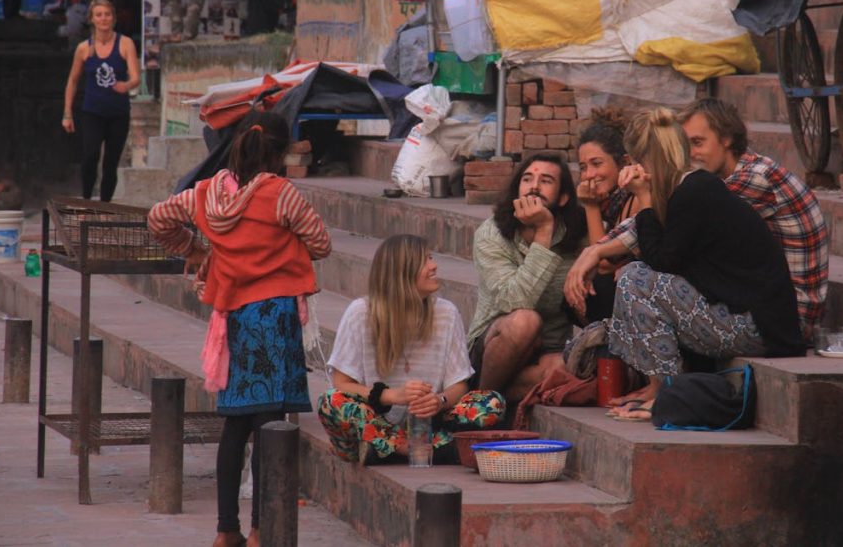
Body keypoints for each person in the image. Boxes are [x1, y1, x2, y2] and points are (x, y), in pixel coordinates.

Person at [147, 111, 331, 547]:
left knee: (236, 424)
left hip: (235, 320)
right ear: (280, 152)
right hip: (275, 318)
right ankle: (260, 529)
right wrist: (283, 245)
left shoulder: (204, 194)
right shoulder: (281, 194)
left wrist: (195, 250)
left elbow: (157, 218)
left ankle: (225, 529)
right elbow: (321, 243)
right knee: (271, 426)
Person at [564, 108, 804, 419]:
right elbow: (655, 250)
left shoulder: (696, 190)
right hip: (735, 315)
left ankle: (667, 393)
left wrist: (644, 199)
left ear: (642, 160)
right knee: (635, 274)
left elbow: (662, 262)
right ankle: (657, 388)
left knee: (637, 280)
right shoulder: (685, 189)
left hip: (759, 328)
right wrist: (598, 249)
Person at [318, 235, 505, 465]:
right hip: (376, 421)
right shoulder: (360, 313)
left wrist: (439, 400)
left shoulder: (446, 313)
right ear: (401, 272)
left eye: (431, 258)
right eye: (425, 260)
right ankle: (414, 448)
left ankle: (386, 451)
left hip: (427, 426)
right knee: (330, 402)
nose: (434, 265)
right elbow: (341, 384)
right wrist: (391, 396)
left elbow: (459, 385)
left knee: (492, 403)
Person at [678, 98, 828, 341]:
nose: (691, 155)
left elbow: (679, 222)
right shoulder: (725, 179)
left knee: (644, 281)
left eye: (697, 143)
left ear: (726, 138)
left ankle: (663, 379)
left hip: (788, 321)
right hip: (764, 303)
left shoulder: (755, 178)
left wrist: (599, 251)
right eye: (685, 146)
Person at [466, 153, 588, 401]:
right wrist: (544, 231)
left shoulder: (575, 234)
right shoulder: (492, 234)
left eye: (546, 181)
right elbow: (514, 301)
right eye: (527, 179)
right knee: (525, 321)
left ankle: (490, 395)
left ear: (563, 197)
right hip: (495, 345)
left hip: (549, 351)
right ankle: (480, 405)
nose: (534, 186)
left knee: (568, 371)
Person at [61, 0, 140, 201]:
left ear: (113, 18)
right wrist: (67, 113)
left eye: (107, 14)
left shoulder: (125, 43)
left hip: (118, 112)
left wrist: (126, 85)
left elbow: (136, 77)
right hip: (92, 111)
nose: (103, 19)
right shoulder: (83, 48)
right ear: (92, 19)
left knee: (111, 162)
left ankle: (105, 205)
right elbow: (73, 81)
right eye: (99, 15)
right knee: (90, 156)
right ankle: (87, 198)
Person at [576, 112, 642, 325]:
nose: (588, 175)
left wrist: (591, 207)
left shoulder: (637, 196)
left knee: (599, 288)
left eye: (596, 163)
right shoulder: (613, 202)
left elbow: (603, 264)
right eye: (583, 167)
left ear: (623, 163)